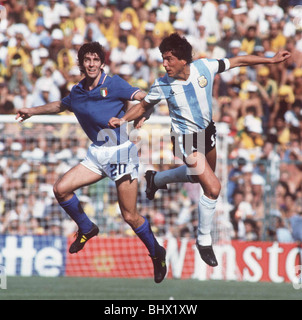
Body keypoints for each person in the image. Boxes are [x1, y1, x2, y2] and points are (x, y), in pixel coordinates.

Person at [109, 32, 291, 267]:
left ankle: (156, 179)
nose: (165, 64)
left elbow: (237, 61)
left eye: (169, 59)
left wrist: (270, 60)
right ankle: (203, 240)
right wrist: (123, 120)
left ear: (183, 59)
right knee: (213, 187)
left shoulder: (205, 67)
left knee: (199, 179)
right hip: (185, 139)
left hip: (207, 132)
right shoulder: (163, 84)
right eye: (163, 59)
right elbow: (143, 105)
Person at [16, 42, 166, 284]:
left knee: (129, 215)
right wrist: (32, 111)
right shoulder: (77, 92)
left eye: (96, 59)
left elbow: (145, 97)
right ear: (81, 64)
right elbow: (60, 106)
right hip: (97, 153)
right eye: (87, 59)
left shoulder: (114, 83)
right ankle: (87, 228)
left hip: (120, 153)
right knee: (60, 189)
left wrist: (145, 110)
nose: (92, 63)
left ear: (102, 62)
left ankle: (157, 252)